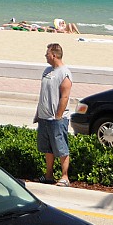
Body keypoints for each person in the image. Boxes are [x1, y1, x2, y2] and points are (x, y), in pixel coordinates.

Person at [33, 43, 72, 186]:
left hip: (57, 120)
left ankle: (65, 176)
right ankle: (48, 175)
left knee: (61, 148)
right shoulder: (47, 71)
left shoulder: (64, 73)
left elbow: (65, 97)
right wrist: (38, 113)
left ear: (54, 55)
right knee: (47, 149)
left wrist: (58, 116)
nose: (45, 56)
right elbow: (43, 94)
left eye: (47, 54)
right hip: (44, 117)